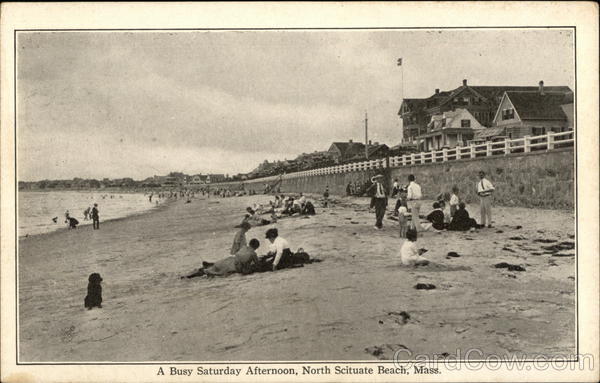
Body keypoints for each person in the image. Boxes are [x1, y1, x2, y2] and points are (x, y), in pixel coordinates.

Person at [184, 239, 261, 278]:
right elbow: (258, 265)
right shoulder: (253, 253)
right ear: (256, 247)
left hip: (229, 260)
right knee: (215, 274)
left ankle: (191, 275)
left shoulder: (244, 247)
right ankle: (193, 275)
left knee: (211, 269)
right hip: (233, 266)